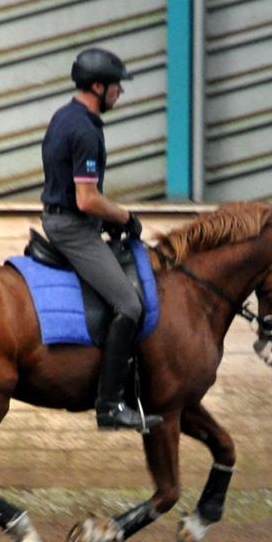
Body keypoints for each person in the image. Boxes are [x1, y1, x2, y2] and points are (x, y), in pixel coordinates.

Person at [40, 47, 163, 432]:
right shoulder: (83, 130)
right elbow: (86, 199)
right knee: (128, 303)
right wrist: (127, 217)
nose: (120, 94)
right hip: (72, 228)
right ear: (98, 86)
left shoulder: (66, 116)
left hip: (72, 222)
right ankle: (109, 405)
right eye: (116, 87)